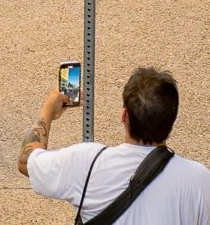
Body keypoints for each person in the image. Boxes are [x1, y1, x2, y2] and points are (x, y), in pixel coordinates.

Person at [22, 67, 210, 222]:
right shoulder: (199, 180)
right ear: (172, 120)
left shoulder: (87, 163)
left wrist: (48, 110)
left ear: (123, 116)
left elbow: (26, 160)